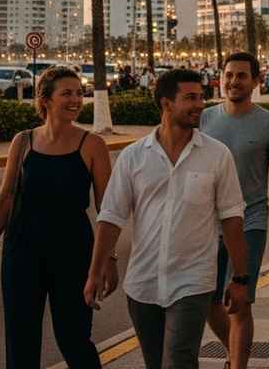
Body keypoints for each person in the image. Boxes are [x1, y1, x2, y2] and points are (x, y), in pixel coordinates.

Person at [86, 69, 251, 369]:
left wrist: (240, 278)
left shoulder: (217, 155)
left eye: (201, 97)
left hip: (193, 281)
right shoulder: (134, 157)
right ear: (166, 103)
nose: (200, 104)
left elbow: (232, 219)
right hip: (143, 283)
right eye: (190, 98)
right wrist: (96, 270)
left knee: (178, 360)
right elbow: (110, 217)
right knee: (155, 363)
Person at [0, 66, 114, 369]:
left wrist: (106, 261)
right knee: (20, 343)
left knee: (74, 339)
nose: (76, 99)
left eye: (79, 93)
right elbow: (5, 199)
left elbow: (108, 209)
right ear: (46, 99)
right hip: (22, 252)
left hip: (73, 253)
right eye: (67, 93)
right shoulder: (23, 142)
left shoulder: (92, 145)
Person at [200, 52, 269, 369]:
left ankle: (238, 364)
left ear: (255, 80)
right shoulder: (205, 119)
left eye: (241, 75)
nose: (233, 81)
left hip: (249, 222)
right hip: (206, 225)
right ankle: (234, 353)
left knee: (239, 302)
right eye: (229, 75)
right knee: (209, 303)